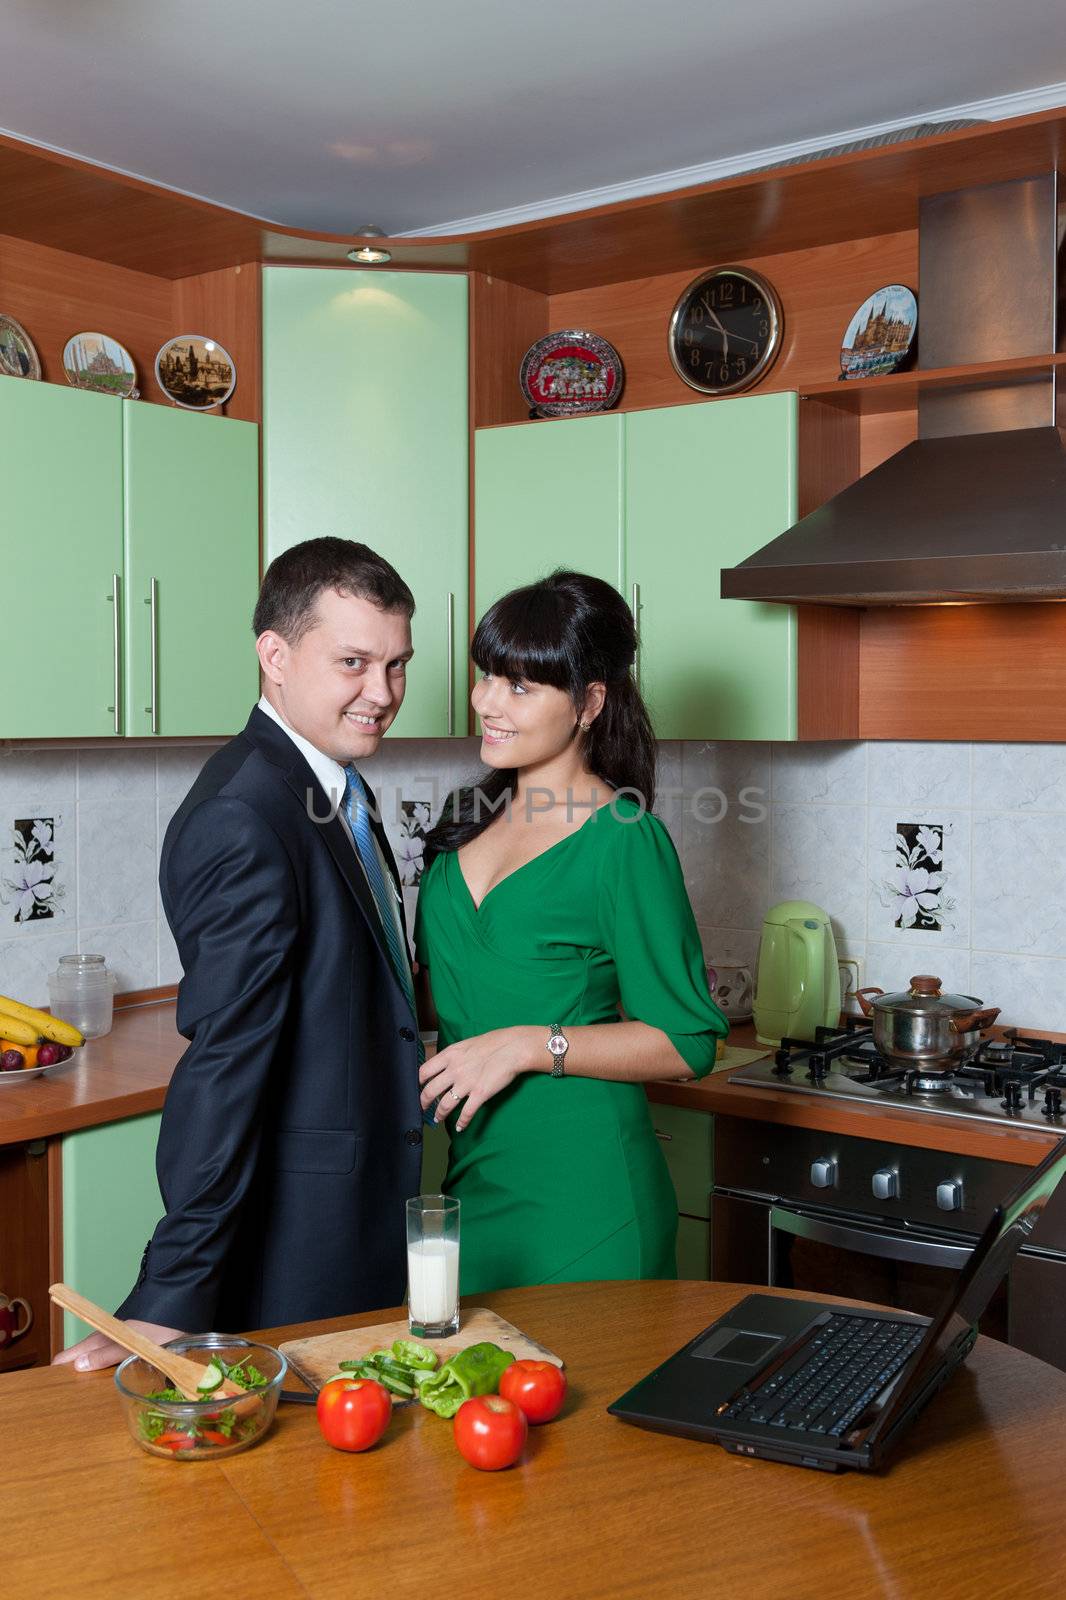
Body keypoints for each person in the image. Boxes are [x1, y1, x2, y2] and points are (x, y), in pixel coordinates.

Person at [56, 538, 425, 1371]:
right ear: (275, 656)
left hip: (359, 1210)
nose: (383, 693)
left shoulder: (328, 783)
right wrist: (170, 1293)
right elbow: (226, 1062)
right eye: (355, 663)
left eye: (398, 665)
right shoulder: (244, 815)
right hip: (300, 1238)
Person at [414, 570, 728, 1293]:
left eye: (522, 687)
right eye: (488, 676)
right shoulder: (466, 819)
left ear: (590, 703)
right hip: (474, 1181)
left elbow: (688, 1042)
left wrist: (531, 1044)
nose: (489, 703)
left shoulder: (624, 839)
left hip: (587, 1196)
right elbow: (452, 994)